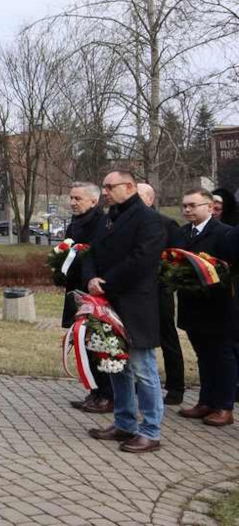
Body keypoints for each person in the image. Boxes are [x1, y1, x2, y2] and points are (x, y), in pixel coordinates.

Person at [83, 170, 166, 453]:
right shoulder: (108, 218)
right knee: (116, 365)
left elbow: (141, 260)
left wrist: (106, 282)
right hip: (108, 303)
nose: (105, 192)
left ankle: (151, 431)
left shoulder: (149, 220)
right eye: (104, 186)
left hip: (135, 304)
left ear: (129, 186)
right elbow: (91, 252)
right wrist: (91, 277)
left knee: (143, 369)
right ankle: (125, 423)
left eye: (109, 186)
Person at [171, 188, 237, 426]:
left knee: (222, 356)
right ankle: (205, 401)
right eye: (185, 206)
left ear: (209, 207)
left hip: (219, 308)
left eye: (193, 205)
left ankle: (224, 406)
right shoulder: (181, 234)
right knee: (203, 356)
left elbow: (229, 269)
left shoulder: (225, 234)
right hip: (191, 306)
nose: (187, 209)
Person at [60, 182, 112, 413]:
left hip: (93, 293)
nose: (72, 202)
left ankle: (107, 394)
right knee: (85, 343)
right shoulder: (75, 223)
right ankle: (95, 392)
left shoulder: (101, 222)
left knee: (100, 343)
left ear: (93, 201)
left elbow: (98, 255)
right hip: (76, 291)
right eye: (71, 198)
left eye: (77, 198)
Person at [138, 182, 185, 405]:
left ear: (150, 199)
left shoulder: (167, 224)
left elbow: (177, 258)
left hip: (159, 290)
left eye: (138, 196)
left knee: (167, 336)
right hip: (134, 291)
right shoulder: (126, 224)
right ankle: (138, 383)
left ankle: (175, 388)